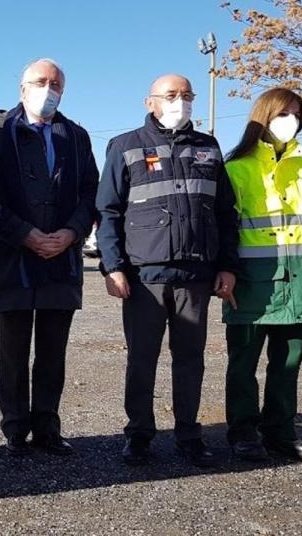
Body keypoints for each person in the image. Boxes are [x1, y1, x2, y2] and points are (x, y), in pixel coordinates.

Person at [96, 74, 239, 468]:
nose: (181, 102)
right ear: (150, 102)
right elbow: (107, 212)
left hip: (196, 275)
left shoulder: (208, 147)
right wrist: (113, 266)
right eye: (172, 95)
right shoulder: (125, 147)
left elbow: (226, 213)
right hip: (145, 278)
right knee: (142, 358)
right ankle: (139, 435)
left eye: (187, 95)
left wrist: (227, 265)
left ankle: (189, 434)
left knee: (190, 359)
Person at [0, 59, 99, 458]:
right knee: (12, 351)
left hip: (62, 260)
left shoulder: (76, 135)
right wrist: (25, 234)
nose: (48, 89)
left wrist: (71, 233)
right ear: (22, 87)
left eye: (55, 83)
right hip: (14, 258)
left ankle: (47, 425)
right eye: (40, 82)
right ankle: (15, 429)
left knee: (52, 351)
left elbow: (89, 193)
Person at [222, 87, 302, 462]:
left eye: (297, 114)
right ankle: (243, 433)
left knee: (287, 364)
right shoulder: (236, 169)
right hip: (251, 285)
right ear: (262, 116)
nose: (290, 120)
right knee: (243, 365)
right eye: (283, 113)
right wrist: (224, 273)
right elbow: (223, 231)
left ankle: (280, 432)